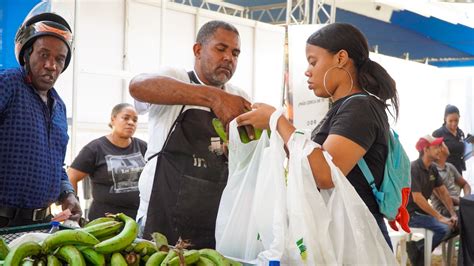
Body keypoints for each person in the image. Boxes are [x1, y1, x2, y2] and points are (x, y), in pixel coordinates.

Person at [236, 23, 398, 248]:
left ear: (341, 58)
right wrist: (272, 129)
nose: (307, 71)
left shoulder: (359, 108)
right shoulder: (343, 108)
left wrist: (277, 120)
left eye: (313, 61)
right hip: (343, 235)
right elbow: (310, 165)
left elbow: (325, 174)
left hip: (359, 239)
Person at [129, 20, 251, 248]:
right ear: (198, 50)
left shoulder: (238, 96)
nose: (229, 58)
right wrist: (213, 97)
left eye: (235, 53)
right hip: (161, 217)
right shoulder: (176, 77)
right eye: (221, 49)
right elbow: (138, 86)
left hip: (215, 222)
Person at [0, 12, 81, 227]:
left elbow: (56, 164)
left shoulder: (59, 106)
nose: (51, 65)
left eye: (59, 59)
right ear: (27, 55)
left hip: (42, 223)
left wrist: (67, 193)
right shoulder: (8, 84)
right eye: (44, 55)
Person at [68, 103, 147, 220]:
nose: (131, 123)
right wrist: (74, 208)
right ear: (113, 119)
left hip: (137, 218)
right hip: (104, 220)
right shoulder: (95, 148)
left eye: (135, 120)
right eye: (126, 118)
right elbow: (71, 176)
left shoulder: (143, 147)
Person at [405, 135, 458, 266]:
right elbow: (417, 198)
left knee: (457, 225)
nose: (440, 149)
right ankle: (420, 252)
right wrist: (439, 217)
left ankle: (417, 248)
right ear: (426, 149)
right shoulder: (413, 168)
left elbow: (443, 192)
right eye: (436, 147)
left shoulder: (432, 168)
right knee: (444, 228)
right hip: (410, 215)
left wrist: (453, 214)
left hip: (423, 213)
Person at [431, 142, 471, 217]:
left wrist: (466, 198)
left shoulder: (449, 166)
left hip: (459, 205)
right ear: (439, 150)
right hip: (444, 210)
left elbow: (465, 184)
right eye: (444, 144)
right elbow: (443, 197)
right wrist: (463, 202)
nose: (447, 146)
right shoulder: (431, 171)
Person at [433, 104, 472, 174]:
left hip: (458, 171)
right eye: (450, 121)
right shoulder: (438, 134)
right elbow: (432, 155)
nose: (454, 123)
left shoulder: (460, 133)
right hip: (444, 173)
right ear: (445, 119)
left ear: (459, 117)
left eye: (456, 120)